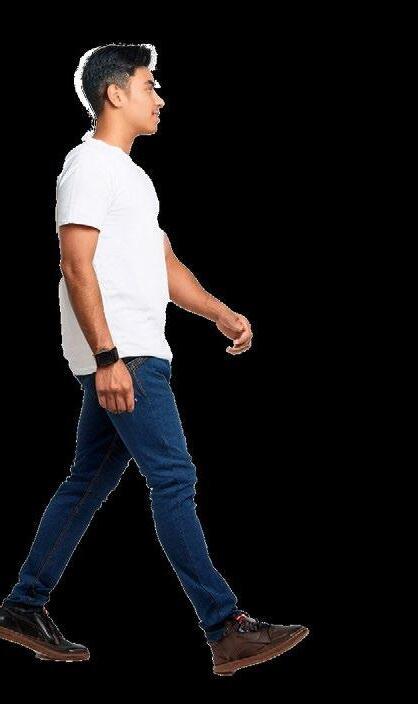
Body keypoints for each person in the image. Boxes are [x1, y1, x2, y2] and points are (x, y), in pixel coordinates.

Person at [0, 42, 308, 674]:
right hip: (127, 356)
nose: (159, 98)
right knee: (173, 479)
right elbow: (74, 263)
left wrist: (219, 311)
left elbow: (165, 265)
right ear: (116, 93)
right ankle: (224, 627)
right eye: (150, 85)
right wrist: (106, 357)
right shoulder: (88, 165)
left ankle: (23, 606)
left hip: (137, 352)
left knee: (88, 480)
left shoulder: (133, 178)